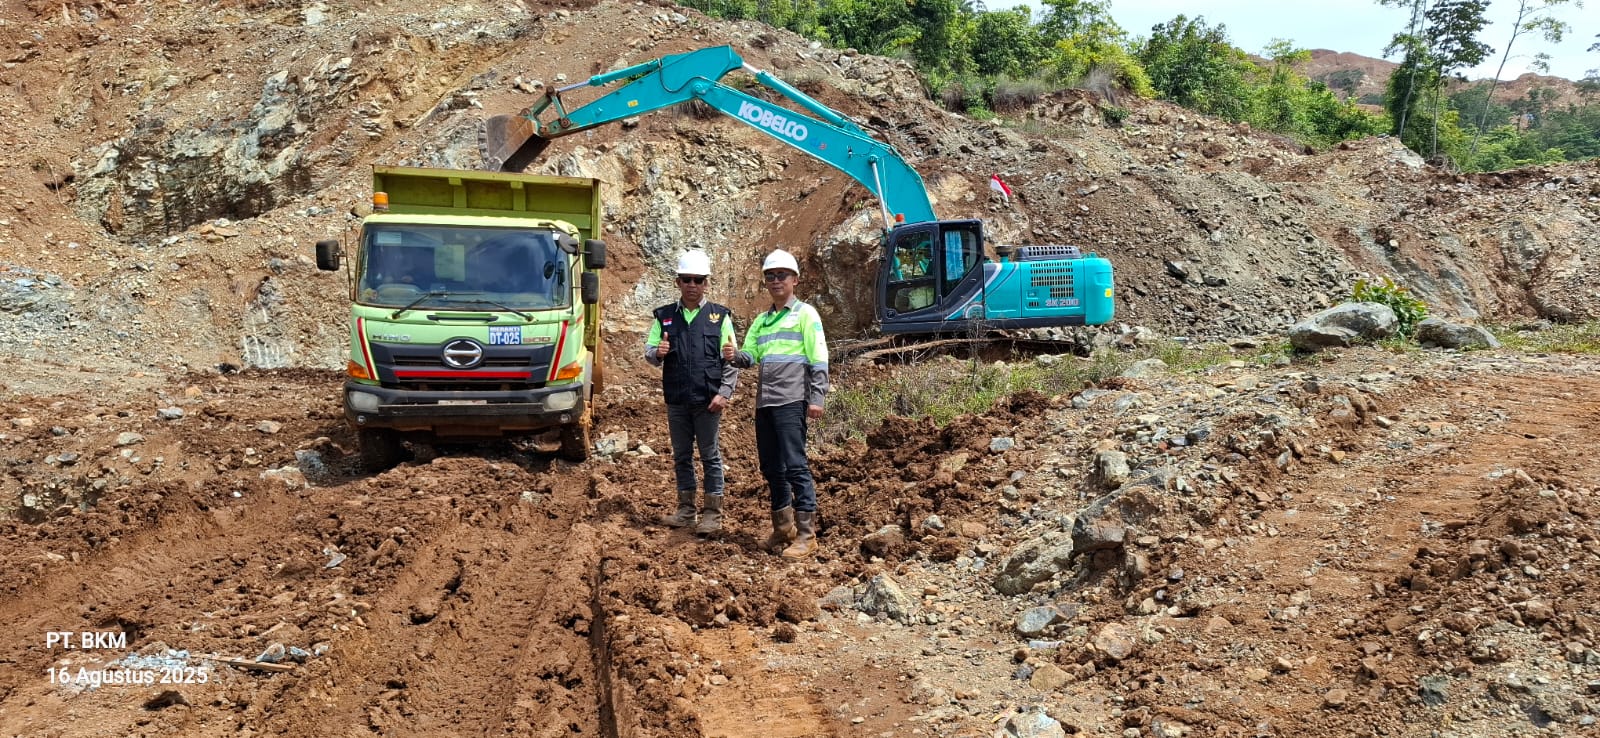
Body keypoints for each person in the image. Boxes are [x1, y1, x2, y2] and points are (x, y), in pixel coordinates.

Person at [729, 249, 829, 558]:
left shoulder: (806, 314)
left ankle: (807, 535)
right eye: (770, 276)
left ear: (794, 280)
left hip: (792, 400)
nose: (776, 281)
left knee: (795, 465)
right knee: (772, 467)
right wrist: (733, 355)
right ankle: (783, 528)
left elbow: (819, 358)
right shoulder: (762, 321)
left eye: (782, 275)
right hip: (766, 403)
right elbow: (750, 356)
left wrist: (817, 397)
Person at [644, 249, 739, 534]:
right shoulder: (664, 317)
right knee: (682, 456)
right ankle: (686, 511)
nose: (692, 285)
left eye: (698, 280)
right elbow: (650, 352)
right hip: (677, 399)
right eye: (687, 279)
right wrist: (657, 352)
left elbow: (731, 358)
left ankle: (712, 514)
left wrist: (725, 393)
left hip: (708, 400)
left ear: (706, 283)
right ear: (678, 282)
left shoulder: (719, 317)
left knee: (710, 455)